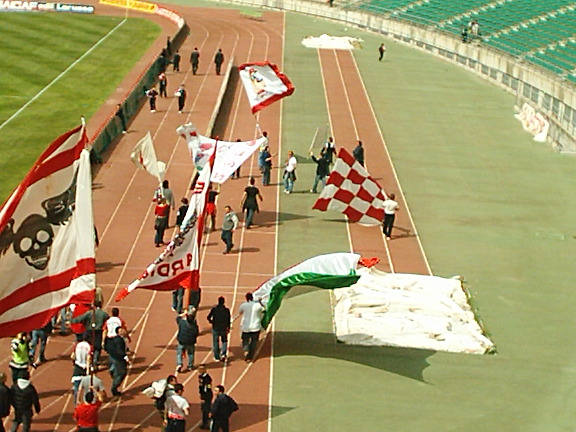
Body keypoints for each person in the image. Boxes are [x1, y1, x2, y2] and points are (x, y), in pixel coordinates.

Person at [70, 301, 109, 367]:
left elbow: (80, 318)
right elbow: (108, 319)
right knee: (97, 347)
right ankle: (95, 361)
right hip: (98, 332)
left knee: (89, 346)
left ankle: (86, 359)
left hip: (89, 331)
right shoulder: (104, 314)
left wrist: (72, 321)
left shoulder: (90, 313)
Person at [238, 292, 265, 362]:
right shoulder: (258, 305)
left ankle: (246, 350)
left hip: (246, 327)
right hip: (255, 327)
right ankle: (250, 356)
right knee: (254, 342)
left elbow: (239, 311)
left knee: (245, 340)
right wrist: (260, 302)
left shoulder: (243, 305)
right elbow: (264, 309)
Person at [107, 326, 130, 397]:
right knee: (122, 373)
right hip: (118, 358)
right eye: (121, 331)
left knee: (117, 369)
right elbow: (119, 349)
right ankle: (114, 388)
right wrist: (124, 356)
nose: (123, 331)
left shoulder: (118, 339)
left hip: (113, 356)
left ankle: (112, 370)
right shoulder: (119, 340)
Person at [207, 297, 231, 362]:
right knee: (224, 341)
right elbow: (228, 320)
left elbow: (208, 317)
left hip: (215, 328)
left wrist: (211, 322)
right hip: (223, 328)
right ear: (224, 302)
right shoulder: (226, 310)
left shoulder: (214, 309)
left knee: (215, 342)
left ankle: (217, 357)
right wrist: (228, 327)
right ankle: (223, 354)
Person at [71, 334, 92, 405]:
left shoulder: (77, 345)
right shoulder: (89, 347)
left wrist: (74, 363)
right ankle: (86, 404)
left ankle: (76, 402)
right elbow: (89, 358)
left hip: (77, 366)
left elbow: (72, 356)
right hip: (85, 367)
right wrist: (88, 371)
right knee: (86, 387)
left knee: (77, 385)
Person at [176, 309, 199, 373]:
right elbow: (197, 333)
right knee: (190, 353)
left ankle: (179, 364)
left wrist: (184, 314)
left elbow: (177, 318)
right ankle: (190, 365)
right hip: (190, 342)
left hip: (182, 340)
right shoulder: (194, 326)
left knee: (179, 353)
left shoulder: (182, 323)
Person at [197, 365, 212, 429]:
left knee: (206, 409)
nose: (199, 370)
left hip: (207, 395)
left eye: (201, 369)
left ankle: (207, 423)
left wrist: (204, 397)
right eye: (199, 369)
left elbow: (207, 388)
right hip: (203, 394)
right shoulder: (200, 376)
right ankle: (205, 422)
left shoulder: (207, 378)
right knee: (203, 409)